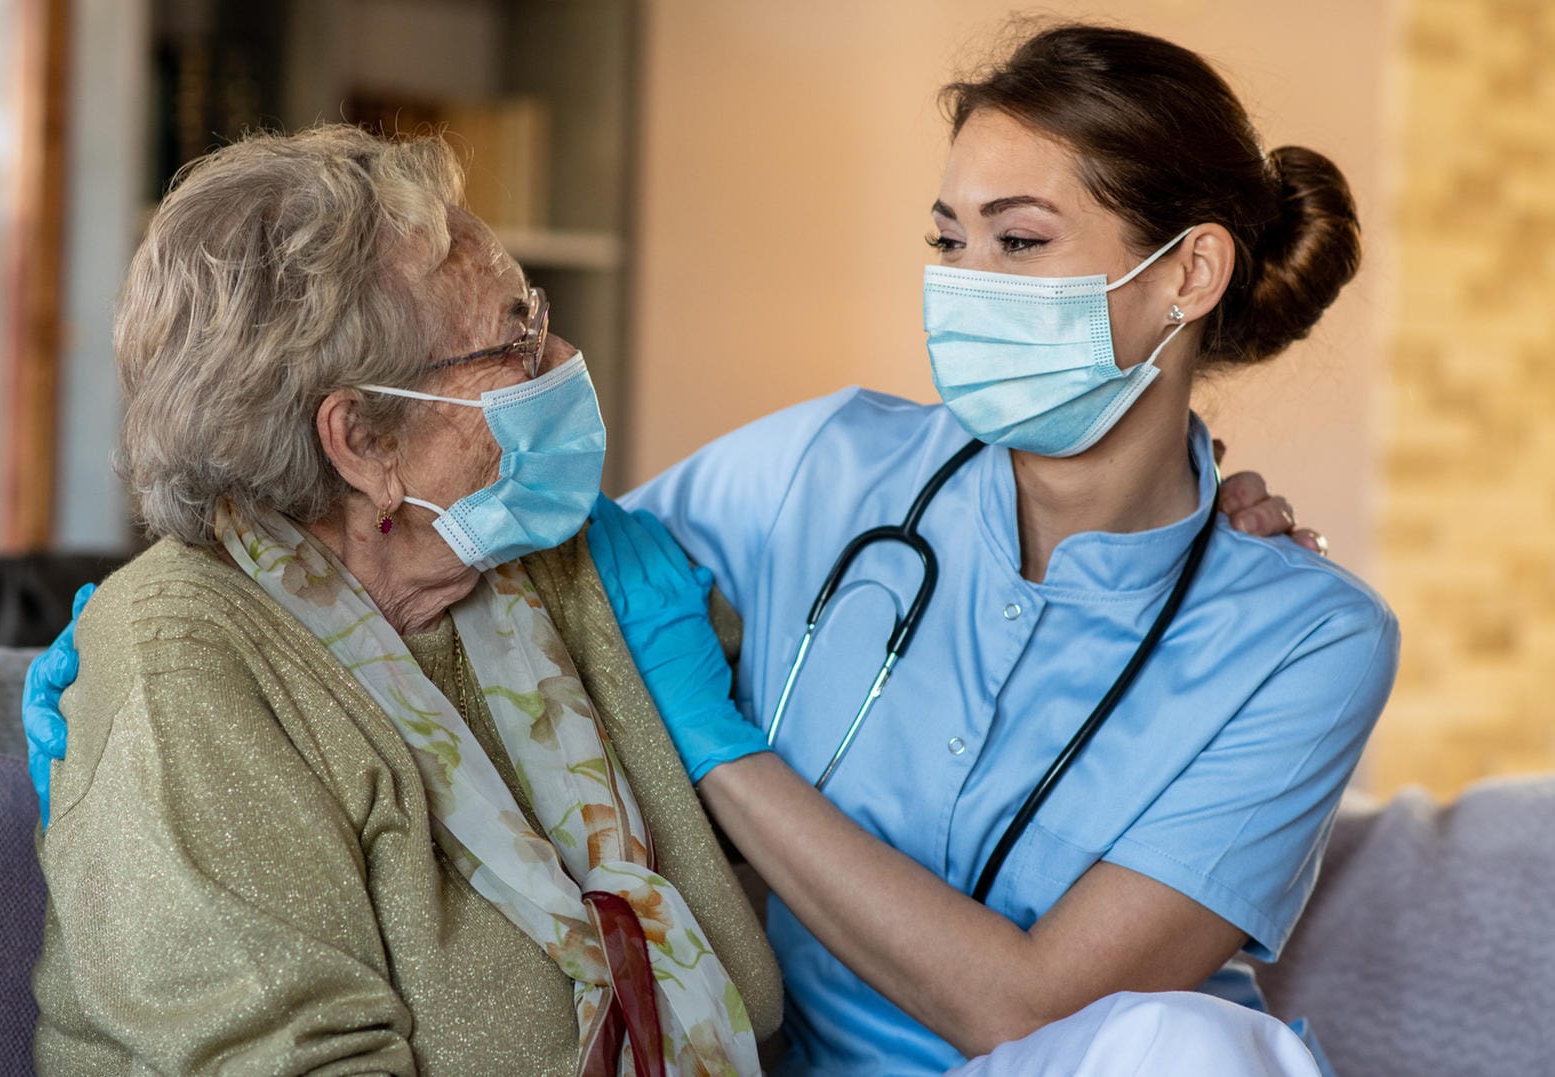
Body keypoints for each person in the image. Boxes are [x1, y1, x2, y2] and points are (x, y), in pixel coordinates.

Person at [590, 23, 1398, 1076]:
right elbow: (546, 577)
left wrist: (717, 746)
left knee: (1185, 1051)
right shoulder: (824, 467)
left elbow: (1030, 1010)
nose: (967, 283)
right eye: (948, 242)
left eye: (1018, 242)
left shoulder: (1307, 639)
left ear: (1189, 273)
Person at [25, 126, 782, 1075]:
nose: (563, 357)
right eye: (517, 338)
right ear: (363, 443)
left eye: (536, 314)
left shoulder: (538, 560)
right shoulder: (184, 663)